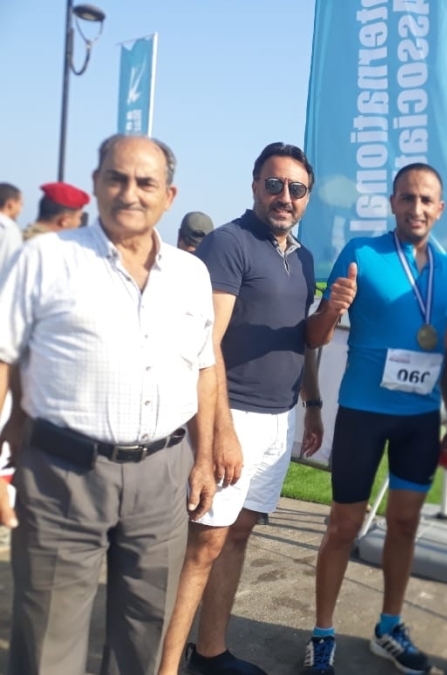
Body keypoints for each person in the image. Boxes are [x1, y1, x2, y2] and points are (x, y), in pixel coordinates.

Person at [0, 134, 218, 675]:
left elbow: (204, 369)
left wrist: (205, 458)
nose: (130, 193)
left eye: (146, 182)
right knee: (48, 647)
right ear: (96, 184)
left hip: (163, 479)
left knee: (143, 643)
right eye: (117, 178)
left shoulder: (191, 275)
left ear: (169, 195)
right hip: (62, 475)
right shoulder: (45, 259)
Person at [159, 142, 323, 675]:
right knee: (203, 545)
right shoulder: (229, 243)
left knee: (238, 535)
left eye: (296, 188)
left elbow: (301, 340)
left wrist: (313, 405)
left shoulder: (302, 258)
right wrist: (221, 433)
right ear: (255, 185)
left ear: (307, 197)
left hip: (279, 418)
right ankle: (165, 666)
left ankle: (210, 654)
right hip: (234, 416)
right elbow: (206, 345)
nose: (285, 196)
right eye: (274, 184)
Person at [301, 162, 447, 675]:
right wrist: (333, 308)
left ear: (439, 208)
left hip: (421, 418)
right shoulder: (362, 253)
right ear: (393, 203)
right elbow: (315, 337)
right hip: (364, 413)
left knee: (405, 524)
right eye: (407, 197)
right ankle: (322, 633)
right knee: (343, 526)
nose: (416, 208)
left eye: (426, 200)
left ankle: (389, 626)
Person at [22, 181, 90, 241]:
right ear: (64, 221)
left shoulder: (20, 236)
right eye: (79, 217)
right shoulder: (50, 246)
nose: (79, 223)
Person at [0, 182, 23, 272]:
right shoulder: (9, 229)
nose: (20, 210)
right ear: (10, 204)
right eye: (20, 204)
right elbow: (10, 267)